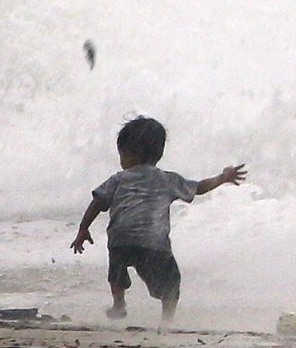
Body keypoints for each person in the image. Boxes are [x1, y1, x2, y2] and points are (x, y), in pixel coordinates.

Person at [70, 116, 246, 324]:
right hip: (154, 242)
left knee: (116, 272)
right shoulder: (167, 179)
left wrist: (83, 229)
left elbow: (98, 202)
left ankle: (119, 304)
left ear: (127, 153)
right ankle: (167, 319)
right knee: (171, 282)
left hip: (120, 238)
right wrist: (222, 178)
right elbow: (199, 188)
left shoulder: (119, 178)